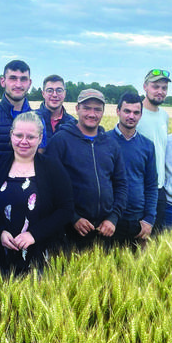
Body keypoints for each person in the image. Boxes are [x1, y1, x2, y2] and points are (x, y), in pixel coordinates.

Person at [0, 112, 74, 274]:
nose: (24, 141)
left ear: (40, 138)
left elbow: (66, 210)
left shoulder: (53, 168)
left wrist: (34, 234)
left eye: (31, 137)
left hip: (42, 257)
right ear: (11, 135)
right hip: (1, 258)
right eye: (18, 135)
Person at [44, 89, 127, 249]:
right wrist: (73, 218)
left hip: (105, 230)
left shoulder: (111, 144)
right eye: (87, 108)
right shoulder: (61, 141)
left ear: (103, 111)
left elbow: (121, 184)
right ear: (77, 109)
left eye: (97, 109)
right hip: (69, 232)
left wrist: (113, 218)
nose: (92, 114)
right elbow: (49, 186)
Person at [110, 92, 158, 243]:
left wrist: (149, 218)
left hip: (137, 220)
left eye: (136, 112)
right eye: (127, 111)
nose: (131, 116)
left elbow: (151, 184)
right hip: (109, 219)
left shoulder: (147, 146)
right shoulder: (104, 141)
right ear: (118, 111)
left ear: (141, 115)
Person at [136, 68, 171, 231]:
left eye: (164, 88)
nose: (160, 91)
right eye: (155, 86)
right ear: (145, 87)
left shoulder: (164, 116)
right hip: (139, 189)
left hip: (159, 189)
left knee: (154, 241)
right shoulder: (135, 114)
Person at [35, 74, 77, 140]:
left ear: (64, 93)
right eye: (50, 91)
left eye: (59, 90)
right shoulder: (32, 119)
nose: (54, 95)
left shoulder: (73, 124)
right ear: (43, 94)